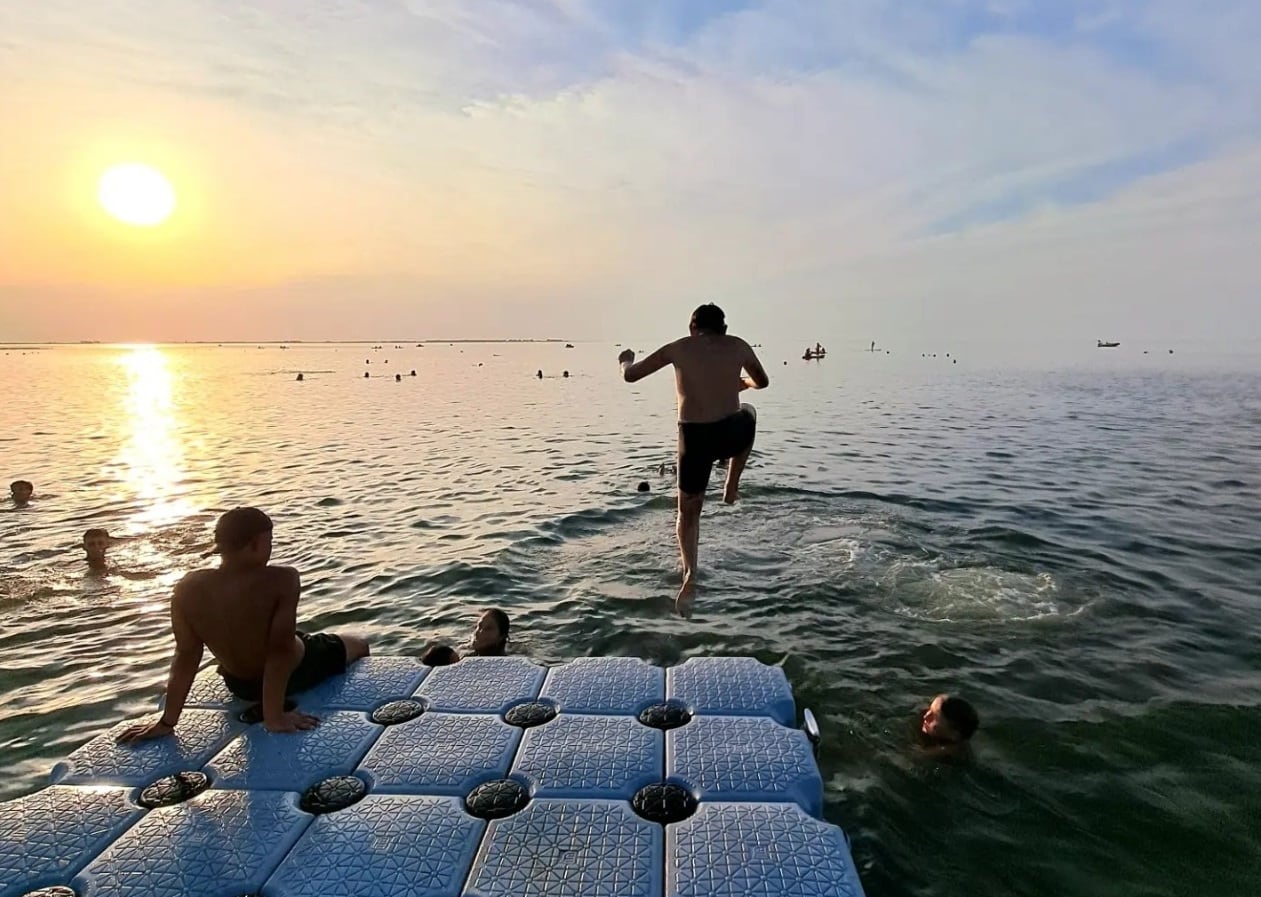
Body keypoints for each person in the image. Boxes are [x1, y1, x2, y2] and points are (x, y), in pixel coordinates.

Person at [116, 507, 369, 741]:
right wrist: (274, 716)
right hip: (299, 671)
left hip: (241, 686)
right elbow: (280, 650)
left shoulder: (187, 587)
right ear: (256, 544)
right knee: (357, 644)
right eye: (269, 542)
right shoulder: (282, 579)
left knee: (290, 637)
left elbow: (186, 655)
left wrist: (167, 722)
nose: (270, 550)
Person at [618, 303, 769, 614]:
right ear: (724, 329)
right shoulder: (738, 345)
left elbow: (631, 377)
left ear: (691, 328)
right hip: (728, 433)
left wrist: (625, 360)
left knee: (688, 512)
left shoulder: (679, 348)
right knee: (750, 413)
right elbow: (763, 381)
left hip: (693, 439)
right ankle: (731, 485)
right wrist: (745, 384)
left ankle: (690, 573)